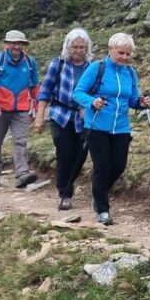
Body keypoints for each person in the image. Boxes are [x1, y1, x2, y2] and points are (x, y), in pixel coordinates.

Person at [73, 32, 150, 225]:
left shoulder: (130, 72)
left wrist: (142, 102)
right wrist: (93, 102)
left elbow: (132, 99)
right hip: (97, 125)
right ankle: (102, 209)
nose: (125, 57)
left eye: (128, 54)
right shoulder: (97, 68)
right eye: (121, 53)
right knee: (102, 166)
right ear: (110, 50)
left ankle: (98, 193)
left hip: (121, 127)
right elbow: (78, 92)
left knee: (119, 165)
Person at [35, 28, 94, 210]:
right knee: (65, 153)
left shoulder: (93, 67)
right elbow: (45, 90)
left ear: (87, 48)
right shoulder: (58, 64)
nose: (78, 50)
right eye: (74, 47)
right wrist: (40, 116)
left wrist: (88, 105)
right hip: (59, 115)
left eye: (82, 47)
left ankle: (68, 183)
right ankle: (65, 193)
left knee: (81, 155)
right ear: (68, 47)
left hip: (82, 117)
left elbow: (96, 91)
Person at [0, 29, 39, 188]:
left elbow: (35, 86)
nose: (16, 46)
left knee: (20, 141)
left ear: (23, 45)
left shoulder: (30, 62)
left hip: (21, 108)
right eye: (13, 43)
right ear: (7, 44)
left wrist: (36, 106)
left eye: (19, 43)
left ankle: (22, 174)